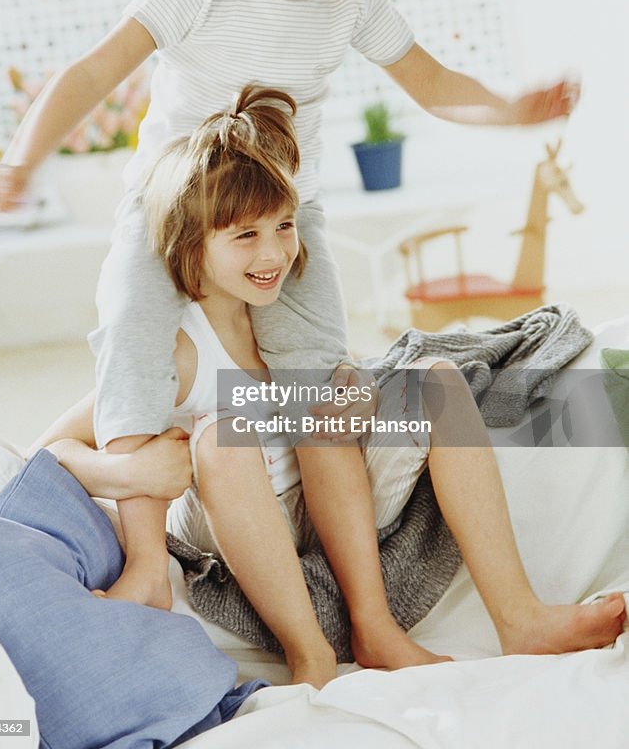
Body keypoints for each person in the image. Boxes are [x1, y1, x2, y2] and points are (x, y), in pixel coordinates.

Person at [32, 85, 625, 691]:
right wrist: (130, 475)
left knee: (436, 383)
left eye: (284, 226)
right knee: (219, 438)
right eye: (245, 236)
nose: (274, 253)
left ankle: (519, 617)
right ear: (193, 244)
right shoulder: (177, 346)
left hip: (330, 503)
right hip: (238, 516)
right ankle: (309, 654)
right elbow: (47, 451)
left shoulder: (286, 316)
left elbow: (331, 408)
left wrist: (358, 395)